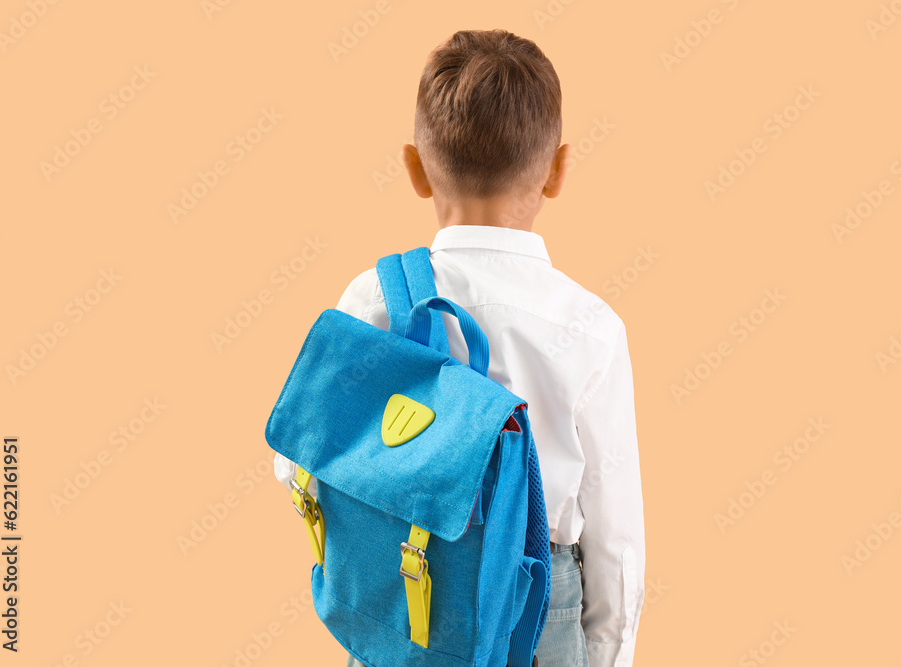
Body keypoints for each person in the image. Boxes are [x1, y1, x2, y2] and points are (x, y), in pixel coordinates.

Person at [273, 29, 645, 667]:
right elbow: (615, 535)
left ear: (415, 168)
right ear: (557, 169)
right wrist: (607, 654)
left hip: (402, 591)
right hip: (540, 606)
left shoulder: (375, 298)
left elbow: (297, 461)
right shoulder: (590, 327)